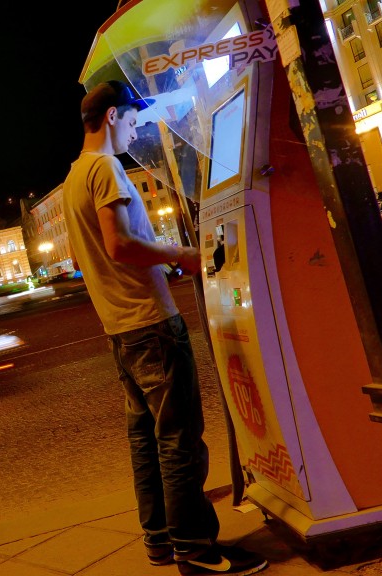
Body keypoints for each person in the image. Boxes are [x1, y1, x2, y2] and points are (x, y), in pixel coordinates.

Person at [62, 80, 267, 576]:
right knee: (179, 438)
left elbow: (81, 256)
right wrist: (183, 256)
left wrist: (155, 261)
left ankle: (159, 538)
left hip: (120, 329)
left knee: (146, 438)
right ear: (112, 117)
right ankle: (195, 549)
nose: (136, 131)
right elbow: (120, 245)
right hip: (150, 323)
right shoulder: (105, 168)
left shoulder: (72, 178)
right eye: (133, 121)